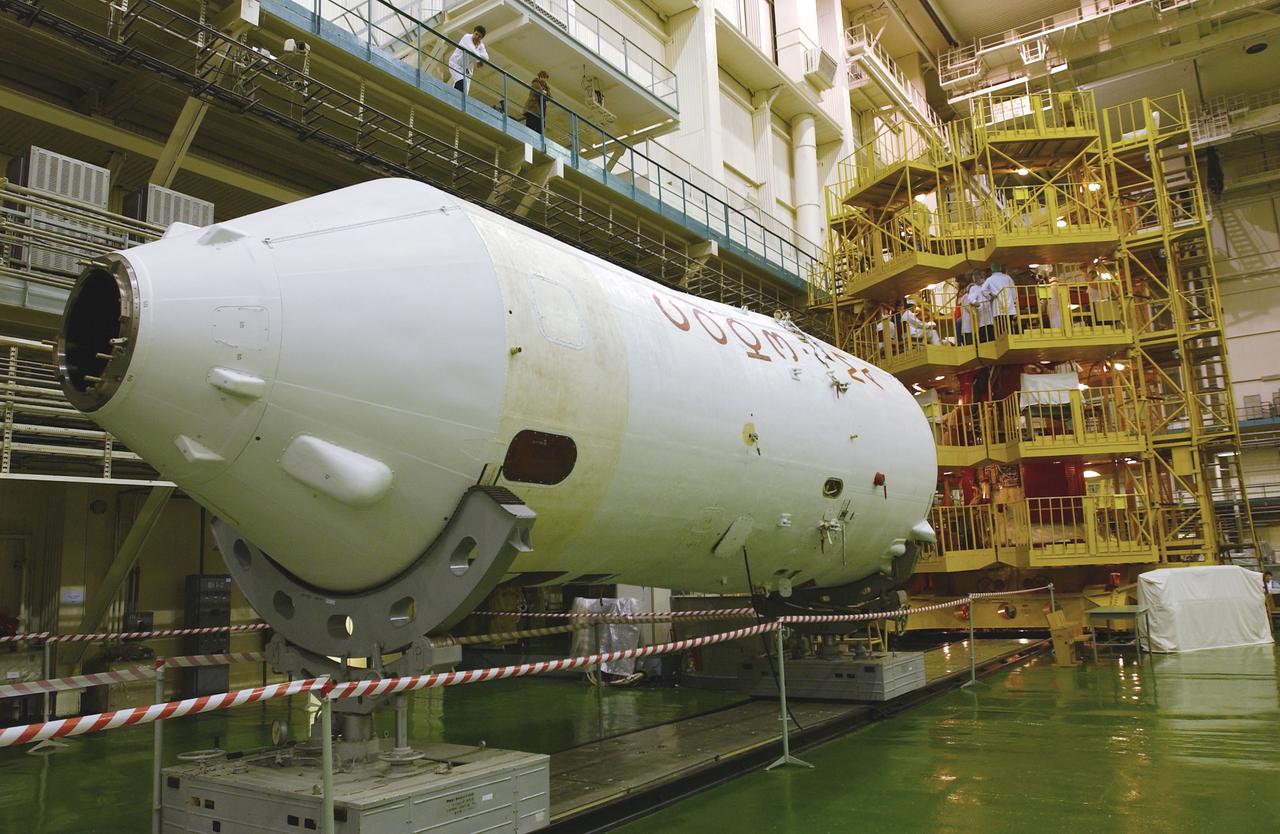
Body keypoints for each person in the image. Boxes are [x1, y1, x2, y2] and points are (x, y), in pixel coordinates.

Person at [449, 26, 488, 95]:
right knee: (461, 83)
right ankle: (453, 97)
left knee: (464, 93)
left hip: (467, 71)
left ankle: (454, 97)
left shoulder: (481, 45)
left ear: (481, 38)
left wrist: (479, 58)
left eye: (479, 36)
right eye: (476, 34)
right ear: (473, 32)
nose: (477, 37)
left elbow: (486, 58)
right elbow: (471, 50)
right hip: (456, 64)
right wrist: (479, 60)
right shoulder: (466, 37)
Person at [982, 266, 1018, 336]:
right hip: (1009, 304)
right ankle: (1011, 335)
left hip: (997, 305)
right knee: (1009, 322)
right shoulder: (1007, 277)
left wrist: (990, 294)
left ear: (992, 270)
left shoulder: (990, 279)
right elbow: (1013, 290)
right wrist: (1014, 301)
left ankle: (1003, 337)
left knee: (1001, 324)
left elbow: (983, 290)